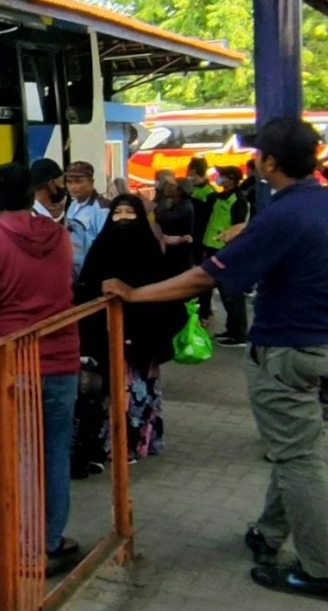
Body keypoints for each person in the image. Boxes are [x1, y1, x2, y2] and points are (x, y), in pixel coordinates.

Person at [103, 116, 328, 599]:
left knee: (299, 457)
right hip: (318, 349)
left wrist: (135, 295)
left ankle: (319, 568)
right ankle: (268, 534)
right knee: (301, 449)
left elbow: (203, 278)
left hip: (288, 351)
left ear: (268, 161)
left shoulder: (282, 217)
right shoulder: (317, 205)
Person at [0, 161, 82, 576]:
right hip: (61, 361)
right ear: (31, 194)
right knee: (55, 454)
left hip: (8, 367)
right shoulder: (60, 236)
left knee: (12, 459)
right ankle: (49, 541)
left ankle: (19, 548)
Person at [75, 194, 187, 467]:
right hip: (105, 343)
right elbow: (84, 293)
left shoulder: (151, 253)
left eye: (129, 213)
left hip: (143, 346)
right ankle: (108, 445)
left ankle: (137, 443)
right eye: (118, 213)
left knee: (138, 396)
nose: (123, 218)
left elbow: (168, 298)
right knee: (108, 397)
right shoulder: (99, 252)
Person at [203, 166, 252, 346]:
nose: (219, 178)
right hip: (212, 246)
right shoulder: (218, 197)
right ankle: (231, 330)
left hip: (227, 250)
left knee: (232, 293)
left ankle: (239, 334)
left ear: (232, 179)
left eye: (223, 176)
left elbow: (239, 228)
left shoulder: (238, 200)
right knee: (225, 294)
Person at [184, 157, 218, 325]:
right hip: (192, 237)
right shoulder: (192, 189)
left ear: (194, 170)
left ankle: (204, 311)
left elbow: (208, 218)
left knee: (203, 274)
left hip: (202, 238)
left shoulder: (208, 192)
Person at [64, 161, 111, 280]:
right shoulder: (72, 205)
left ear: (91, 182)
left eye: (79, 181)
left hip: (93, 274)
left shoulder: (102, 209)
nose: (73, 186)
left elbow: (105, 247)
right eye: (69, 182)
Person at [31, 158, 69, 224]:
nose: (64, 187)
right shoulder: (34, 219)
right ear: (51, 185)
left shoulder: (26, 214)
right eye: (62, 183)